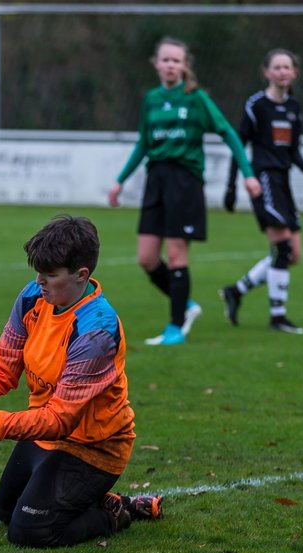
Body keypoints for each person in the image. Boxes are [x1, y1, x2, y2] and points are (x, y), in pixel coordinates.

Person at [0, 215, 161, 548]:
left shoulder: (96, 332)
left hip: (93, 447)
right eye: (38, 272)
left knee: (31, 530)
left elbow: (60, 419)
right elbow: (3, 366)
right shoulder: (34, 297)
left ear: (81, 275)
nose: (39, 281)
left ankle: (115, 513)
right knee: (7, 510)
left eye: (50, 274)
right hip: (43, 433)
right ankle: (95, 501)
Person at [108, 36, 261, 346]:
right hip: (156, 180)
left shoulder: (196, 99)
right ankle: (187, 306)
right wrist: (120, 180)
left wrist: (248, 174)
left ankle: (175, 328)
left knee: (177, 254)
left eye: (176, 60)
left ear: (184, 65)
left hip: (185, 181)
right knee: (147, 258)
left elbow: (228, 132)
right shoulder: (151, 99)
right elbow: (143, 144)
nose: (170, 65)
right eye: (165, 59)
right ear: (156, 64)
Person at [221, 48, 303, 334]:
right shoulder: (256, 105)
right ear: (267, 72)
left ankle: (236, 291)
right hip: (263, 179)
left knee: (292, 254)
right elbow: (238, 145)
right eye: (277, 67)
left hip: (284, 182)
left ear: (294, 72)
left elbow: (294, 150)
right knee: (283, 247)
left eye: (287, 67)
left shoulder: (294, 108)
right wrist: (231, 185)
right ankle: (278, 317)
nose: (282, 71)